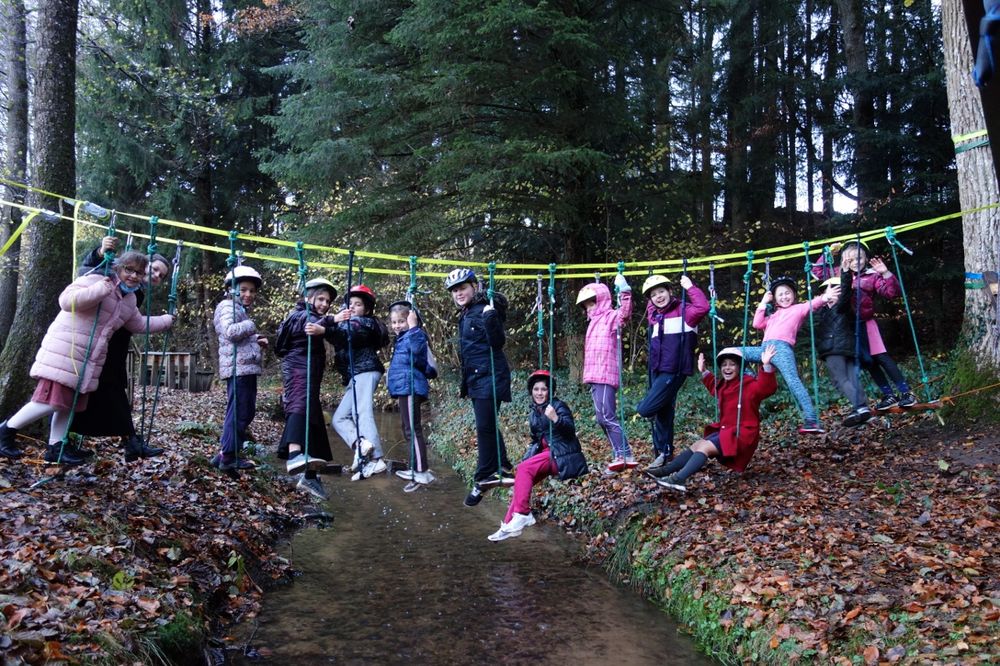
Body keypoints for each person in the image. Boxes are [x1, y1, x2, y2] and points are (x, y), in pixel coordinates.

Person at [0, 252, 173, 464]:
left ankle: (56, 448)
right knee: (50, 401)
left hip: (88, 359)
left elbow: (138, 324)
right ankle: (6, 431)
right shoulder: (96, 279)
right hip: (67, 351)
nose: (133, 276)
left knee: (68, 404)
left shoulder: (129, 299)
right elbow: (66, 301)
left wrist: (166, 320)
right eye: (129, 269)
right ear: (119, 267)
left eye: (138, 272)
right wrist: (101, 289)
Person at [72, 235, 173, 461]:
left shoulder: (136, 290)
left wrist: (166, 320)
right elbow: (89, 270)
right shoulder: (120, 277)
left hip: (115, 347)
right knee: (89, 390)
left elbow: (135, 322)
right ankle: (126, 441)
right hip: (98, 344)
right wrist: (100, 252)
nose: (156, 275)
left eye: (161, 275)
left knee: (113, 390)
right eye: (154, 269)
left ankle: (130, 441)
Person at [648, 345, 777, 493]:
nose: (727, 368)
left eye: (732, 364)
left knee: (705, 447)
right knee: (698, 445)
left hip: (743, 434)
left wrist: (766, 365)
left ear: (739, 367)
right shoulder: (724, 385)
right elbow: (712, 385)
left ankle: (678, 479)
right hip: (728, 430)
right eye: (724, 365)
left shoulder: (748, 385)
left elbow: (766, 388)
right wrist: (703, 371)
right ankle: (664, 471)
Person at [487, 370, 588, 541]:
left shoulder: (558, 406)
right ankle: (507, 526)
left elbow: (570, 430)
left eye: (543, 389)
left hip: (561, 455)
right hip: (547, 456)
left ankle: (523, 514)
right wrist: (529, 457)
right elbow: (537, 441)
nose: (539, 393)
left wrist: (556, 418)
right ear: (531, 391)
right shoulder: (534, 413)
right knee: (521, 482)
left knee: (523, 470)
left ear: (550, 391)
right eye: (536, 389)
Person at [444, 268, 514, 508]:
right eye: (454, 291)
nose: (458, 293)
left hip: (490, 375)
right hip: (477, 377)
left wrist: (491, 318)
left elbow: (498, 342)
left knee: (484, 427)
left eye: (462, 288)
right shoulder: (466, 313)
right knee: (488, 423)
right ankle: (503, 465)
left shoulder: (485, 309)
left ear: (474, 286)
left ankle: (482, 477)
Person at [830, 241, 916, 410]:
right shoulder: (838, 275)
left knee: (881, 357)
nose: (856, 262)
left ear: (866, 258)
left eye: (860, 258)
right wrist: (832, 252)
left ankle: (906, 392)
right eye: (851, 259)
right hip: (850, 328)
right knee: (869, 362)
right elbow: (818, 272)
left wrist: (886, 274)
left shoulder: (871, 276)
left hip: (867, 323)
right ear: (844, 261)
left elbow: (892, 293)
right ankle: (888, 395)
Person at [636, 273, 709, 472]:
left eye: (662, 291)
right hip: (656, 368)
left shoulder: (684, 311)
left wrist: (690, 287)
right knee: (663, 411)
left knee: (646, 409)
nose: (658, 296)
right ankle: (664, 454)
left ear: (670, 291)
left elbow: (703, 307)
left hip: (674, 369)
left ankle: (662, 451)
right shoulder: (654, 314)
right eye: (654, 294)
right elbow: (651, 305)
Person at [273, 278, 338, 500]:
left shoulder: (314, 318)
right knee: (300, 406)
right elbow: (308, 322)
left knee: (313, 416)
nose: (324, 304)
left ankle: (311, 476)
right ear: (308, 297)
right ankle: (294, 454)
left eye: (327, 301)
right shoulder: (299, 314)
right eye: (320, 299)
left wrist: (330, 324)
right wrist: (332, 319)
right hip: (299, 370)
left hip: (311, 373)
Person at [739, 275, 826, 434]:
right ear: (775, 299)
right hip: (764, 350)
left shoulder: (798, 309)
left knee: (793, 382)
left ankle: (811, 420)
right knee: (735, 353)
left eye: (788, 293)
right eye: (780, 294)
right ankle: (749, 377)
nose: (784, 297)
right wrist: (763, 303)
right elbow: (757, 324)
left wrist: (825, 297)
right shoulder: (772, 315)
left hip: (782, 349)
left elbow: (813, 304)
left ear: (793, 295)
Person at [329, 284, 390, 479]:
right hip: (356, 375)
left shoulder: (363, 323)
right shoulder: (347, 323)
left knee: (361, 412)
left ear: (366, 309)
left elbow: (346, 332)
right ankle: (361, 448)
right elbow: (338, 337)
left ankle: (376, 460)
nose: (353, 307)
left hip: (365, 371)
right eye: (350, 303)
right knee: (339, 418)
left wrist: (325, 325)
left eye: (358, 304)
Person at [576, 274, 634, 475]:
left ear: (600, 301)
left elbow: (624, 314)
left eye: (591, 304)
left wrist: (624, 291)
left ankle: (625, 453)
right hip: (594, 376)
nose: (589, 308)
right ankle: (618, 455)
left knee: (607, 416)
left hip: (605, 374)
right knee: (601, 418)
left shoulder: (610, 317)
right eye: (586, 306)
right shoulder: (592, 323)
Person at [213, 265, 267, 472]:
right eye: (243, 289)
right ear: (231, 288)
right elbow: (230, 332)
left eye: (252, 291)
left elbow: (239, 337)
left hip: (243, 367)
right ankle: (228, 456)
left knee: (243, 410)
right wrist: (251, 326)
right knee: (239, 411)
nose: (248, 294)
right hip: (238, 368)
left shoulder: (238, 309)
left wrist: (255, 339)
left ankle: (223, 455)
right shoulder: (228, 306)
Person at [387, 300, 436, 492]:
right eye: (394, 322)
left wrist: (414, 327)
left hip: (410, 386)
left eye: (401, 321)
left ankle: (421, 470)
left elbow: (417, 351)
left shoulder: (414, 335)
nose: (397, 325)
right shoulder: (402, 338)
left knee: (413, 430)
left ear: (409, 321)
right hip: (405, 387)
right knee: (408, 429)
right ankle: (417, 470)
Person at [814, 275, 874, 427]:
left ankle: (859, 406)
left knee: (839, 379)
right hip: (845, 347)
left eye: (836, 291)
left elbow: (846, 294)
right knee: (850, 377)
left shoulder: (843, 306)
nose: (831, 295)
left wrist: (845, 275)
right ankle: (862, 407)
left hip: (835, 347)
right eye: (829, 291)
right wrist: (823, 299)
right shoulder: (823, 310)